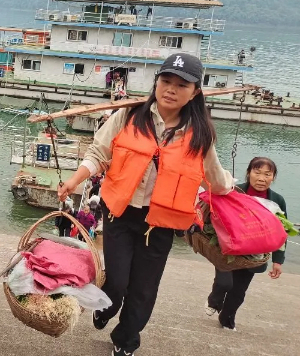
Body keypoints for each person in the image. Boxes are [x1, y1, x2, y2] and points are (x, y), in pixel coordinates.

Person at [58, 53, 233, 356]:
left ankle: (126, 339)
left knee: (143, 290)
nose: (171, 89)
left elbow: (214, 179)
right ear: (156, 82)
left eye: (182, 85)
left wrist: (231, 190)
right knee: (116, 281)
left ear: (195, 92)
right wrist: (75, 180)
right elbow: (98, 153)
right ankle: (105, 308)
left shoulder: (200, 135)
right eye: (166, 81)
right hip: (120, 213)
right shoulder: (128, 116)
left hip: (161, 222)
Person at [205, 157, 287, 331]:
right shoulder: (233, 191)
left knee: (238, 293)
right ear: (248, 173)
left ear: (273, 177)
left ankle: (226, 319)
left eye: (267, 174)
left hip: (254, 254)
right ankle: (214, 301)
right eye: (257, 172)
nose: (262, 178)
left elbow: (281, 231)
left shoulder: (277, 201)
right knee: (224, 283)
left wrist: (278, 261)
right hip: (227, 248)